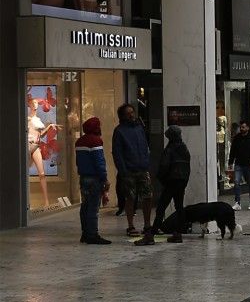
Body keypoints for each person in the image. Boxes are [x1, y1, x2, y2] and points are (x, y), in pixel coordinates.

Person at [112, 103, 154, 244]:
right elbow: (117, 153)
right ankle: (130, 225)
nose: (131, 115)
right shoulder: (119, 131)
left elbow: (145, 146)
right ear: (122, 116)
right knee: (130, 198)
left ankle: (147, 224)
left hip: (143, 168)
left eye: (132, 112)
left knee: (147, 196)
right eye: (128, 113)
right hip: (129, 170)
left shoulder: (139, 128)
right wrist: (123, 170)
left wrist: (147, 162)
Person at [74, 117, 111, 244]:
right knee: (93, 208)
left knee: (85, 206)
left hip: (83, 178)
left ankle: (85, 233)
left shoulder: (79, 142)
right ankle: (92, 235)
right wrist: (104, 178)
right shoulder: (96, 141)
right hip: (94, 178)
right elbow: (99, 162)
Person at [152, 125, 190, 242]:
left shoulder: (170, 149)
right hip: (181, 181)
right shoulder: (184, 148)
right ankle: (179, 233)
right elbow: (187, 167)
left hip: (171, 181)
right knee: (179, 207)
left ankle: (151, 234)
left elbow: (164, 166)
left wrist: (160, 178)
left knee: (161, 207)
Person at [228, 121, 250, 211]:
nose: (242, 129)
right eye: (241, 127)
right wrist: (230, 162)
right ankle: (237, 202)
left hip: (249, 165)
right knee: (236, 182)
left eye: (243, 127)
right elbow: (232, 151)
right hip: (239, 164)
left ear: (247, 128)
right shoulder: (237, 138)